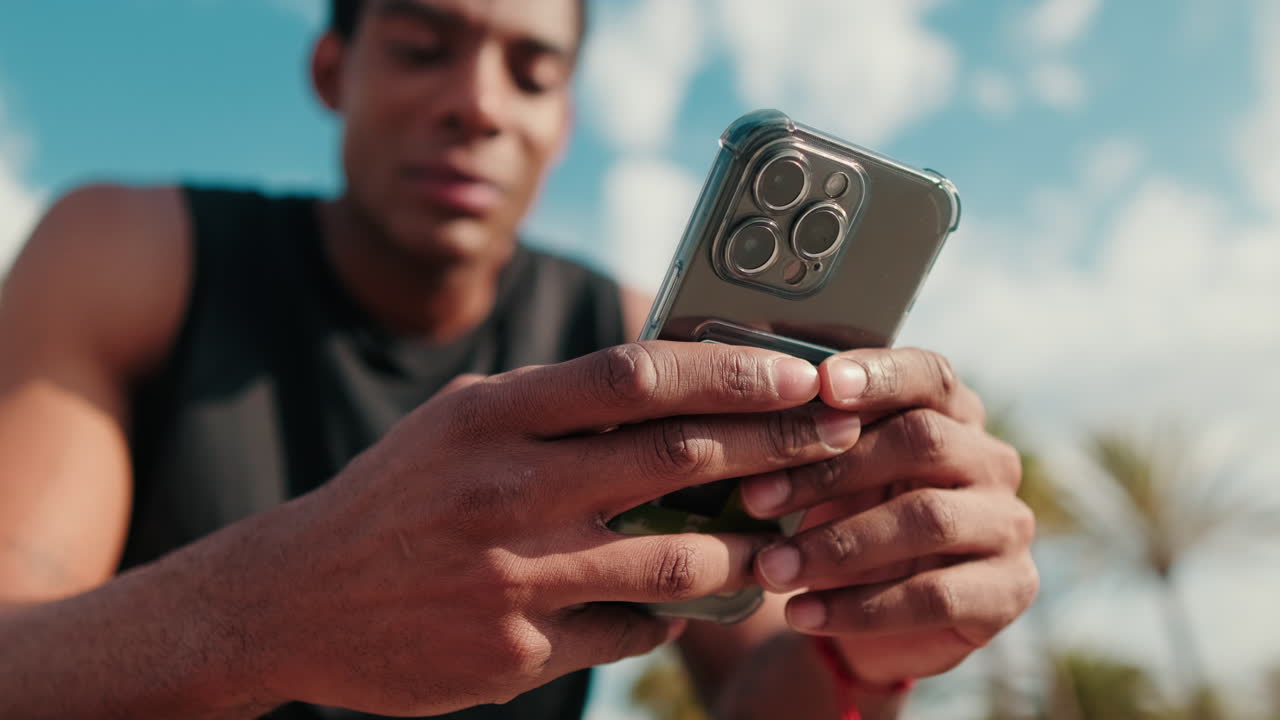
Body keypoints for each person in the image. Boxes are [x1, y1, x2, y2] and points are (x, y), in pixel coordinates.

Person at [0, 1, 1038, 718]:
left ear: (561, 122)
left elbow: (756, 693)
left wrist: (866, 655)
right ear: (331, 71)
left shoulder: (638, 346)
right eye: (420, 47)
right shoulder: (132, 250)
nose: (478, 104)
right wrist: (277, 609)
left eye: (530, 72)